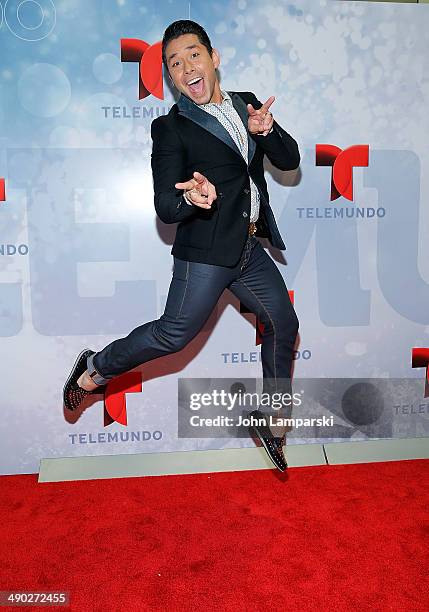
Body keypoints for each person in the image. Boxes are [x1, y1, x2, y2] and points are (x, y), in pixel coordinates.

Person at [63, 19, 300, 472]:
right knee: (173, 335)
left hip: (248, 250)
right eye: (175, 63)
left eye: (194, 55)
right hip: (205, 254)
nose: (186, 66)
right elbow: (165, 205)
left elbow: (288, 160)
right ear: (171, 78)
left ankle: (270, 421)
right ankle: (94, 368)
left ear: (214, 59)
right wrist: (190, 197)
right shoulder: (170, 128)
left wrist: (267, 131)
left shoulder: (249, 105)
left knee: (283, 323)